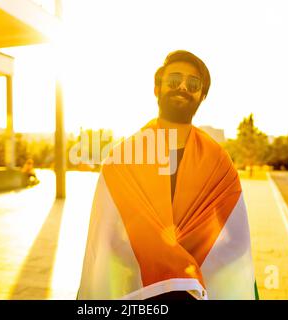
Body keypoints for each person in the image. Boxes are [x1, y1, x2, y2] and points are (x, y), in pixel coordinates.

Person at [77, 50, 258, 300]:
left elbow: (236, 240)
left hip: (196, 290)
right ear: (157, 88)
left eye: (193, 84)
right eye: (174, 80)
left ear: (202, 96)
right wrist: (150, 257)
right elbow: (105, 233)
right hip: (141, 290)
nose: (183, 87)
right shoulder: (124, 156)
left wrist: (190, 263)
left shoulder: (219, 162)